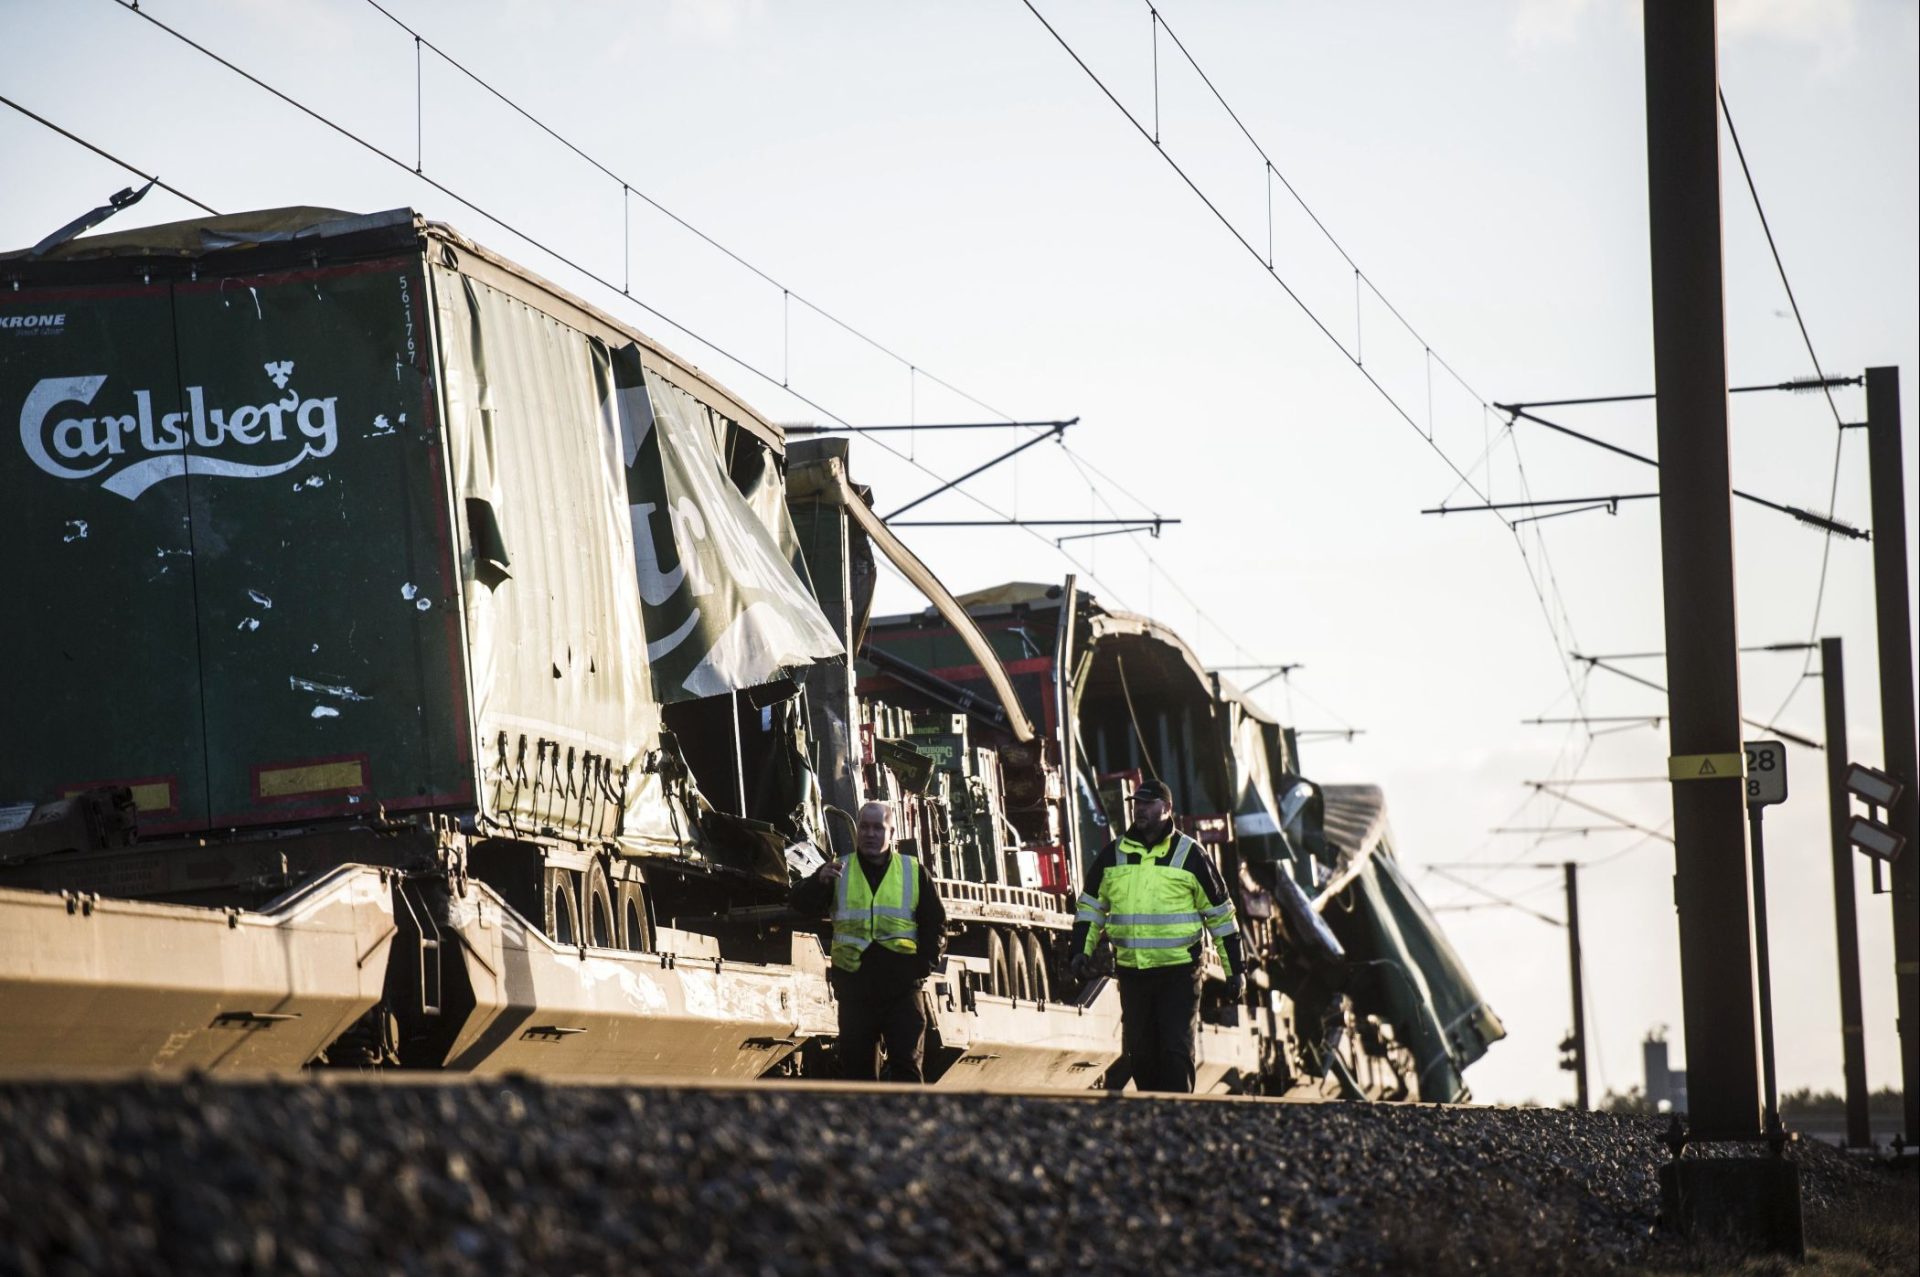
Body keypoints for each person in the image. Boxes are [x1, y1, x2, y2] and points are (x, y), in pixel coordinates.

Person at [1069, 778, 1244, 1093]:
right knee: (1141, 1054)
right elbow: (1091, 909)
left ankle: (1177, 1115)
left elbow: (1220, 917)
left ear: (1167, 809)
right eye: (1136, 803)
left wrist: (1236, 971)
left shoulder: (1191, 855)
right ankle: (1153, 1115)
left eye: (1147, 803)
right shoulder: (1114, 854)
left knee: (1175, 1051)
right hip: (1133, 973)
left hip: (1179, 972)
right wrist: (1080, 951)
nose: (1139, 809)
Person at [790, 800, 946, 1081]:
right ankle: (864, 1124)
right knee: (858, 1073)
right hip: (856, 989)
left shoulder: (913, 871)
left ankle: (905, 1122)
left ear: (892, 833)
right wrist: (817, 881)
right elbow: (801, 905)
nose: (870, 834)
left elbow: (935, 925)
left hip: (902, 990)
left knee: (907, 1067)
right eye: (865, 827)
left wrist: (921, 969)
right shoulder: (839, 869)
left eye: (878, 828)